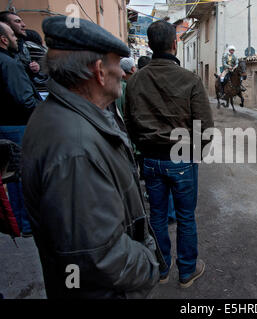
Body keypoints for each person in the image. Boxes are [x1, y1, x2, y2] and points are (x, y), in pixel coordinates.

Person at [21, 16, 166, 299]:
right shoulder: (74, 149)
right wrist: (150, 262)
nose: (123, 75)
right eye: (116, 65)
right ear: (99, 71)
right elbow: (101, 256)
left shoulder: (65, 116)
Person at [124, 20, 214, 288]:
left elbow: (129, 122)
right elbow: (205, 127)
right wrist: (193, 152)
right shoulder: (190, 79)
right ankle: (186, 272)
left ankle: (162, 269)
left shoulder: (135, 80)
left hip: (150, 161)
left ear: (150, 45)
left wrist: (145, 147)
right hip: (182, 159)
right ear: (175, 44)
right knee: (186, 217)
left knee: (158, 216)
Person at [0, 22, 41, 237]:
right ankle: (26, 224)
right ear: (4, 40)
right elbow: (26, 99)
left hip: (7, 125)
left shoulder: (11, 63)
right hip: (18, 126)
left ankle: (17, 221)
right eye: (13, 37)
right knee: (22, 177)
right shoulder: (9, 64)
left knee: (11, 177)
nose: (17, 40)